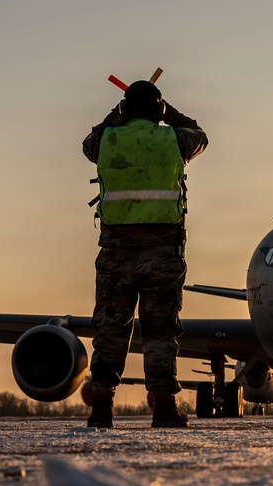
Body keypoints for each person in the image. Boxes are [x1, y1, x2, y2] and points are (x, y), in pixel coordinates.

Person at [82, 80, 208, 428]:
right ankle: (164, 407)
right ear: (158, 111)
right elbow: (199, 134)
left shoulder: (106, 140)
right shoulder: (174, 140)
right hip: (163, 250)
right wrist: (170, 113)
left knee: (110, 327)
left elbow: (88, 142)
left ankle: (102, 406)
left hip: (116, 251)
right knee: (160, 329)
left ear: (125, 109)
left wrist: (116, 115)